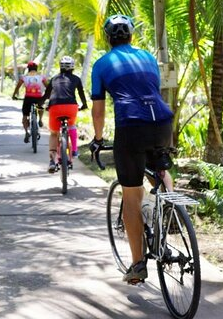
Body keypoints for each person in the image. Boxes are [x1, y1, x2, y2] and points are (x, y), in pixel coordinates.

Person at [88, 14, 174, 285]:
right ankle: (168, 215)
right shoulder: (148, 57)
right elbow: (152, 90)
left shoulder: (101, 65)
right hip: (162, 121)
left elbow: (99, 110)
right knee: (159, 170)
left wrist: (98, 138)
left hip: (131, 125)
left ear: (108, 38)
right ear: (131, 36)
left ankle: (138, 264)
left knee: (131, 192)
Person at [40, 56, 88, 173]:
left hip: (55, 107)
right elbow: (81, 94)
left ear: (60, 67)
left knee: (54, 134)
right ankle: (74, 150)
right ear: (72, 68)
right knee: (71, 126)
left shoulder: (54, 79)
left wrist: (39, 104)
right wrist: (84, 105)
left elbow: (47, 95)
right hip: (71, 107)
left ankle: (52, 161)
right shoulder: (76, 79)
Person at [12, 61, 47, 143]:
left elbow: (18, 87)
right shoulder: (41, 77)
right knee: (40, 108)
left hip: (28, 99)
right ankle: (40, 120)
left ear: (28, 69)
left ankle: (26, 132)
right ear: (36, 69)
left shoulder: (24, 77)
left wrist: (14, 95)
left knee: (25, 115)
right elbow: (48, 87)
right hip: (38, 99)